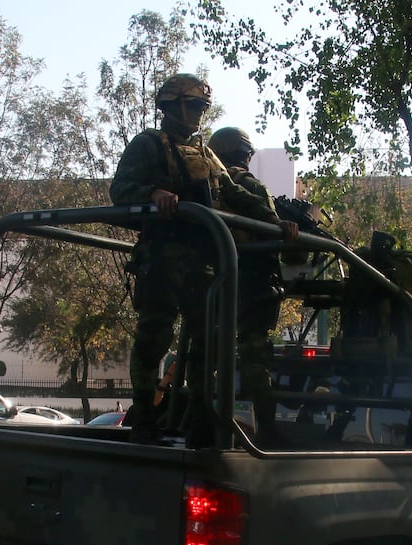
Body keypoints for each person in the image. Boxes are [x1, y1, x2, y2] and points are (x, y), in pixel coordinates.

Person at [109, 74, 289, 445]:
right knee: (153, 338)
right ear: (172, 106)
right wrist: (153, 193)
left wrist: (275, 222)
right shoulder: (147, 145)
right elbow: (120, 190)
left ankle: (201, 413)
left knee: (208, 340)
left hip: (201, 262)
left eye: (202, 108)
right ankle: (143, 413)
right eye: (193, 106)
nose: (197, 115)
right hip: (161, 256)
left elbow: (233, 192)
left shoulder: (205, 153)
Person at [207, 127, 299, 442]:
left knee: (205, 354)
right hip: (254, 285)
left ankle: (196, 419)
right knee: (254, 357)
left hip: (215, 282)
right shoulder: (251, 187)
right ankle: (268, 430)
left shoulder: (208, 188)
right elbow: (275, 238)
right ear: (247, 155)